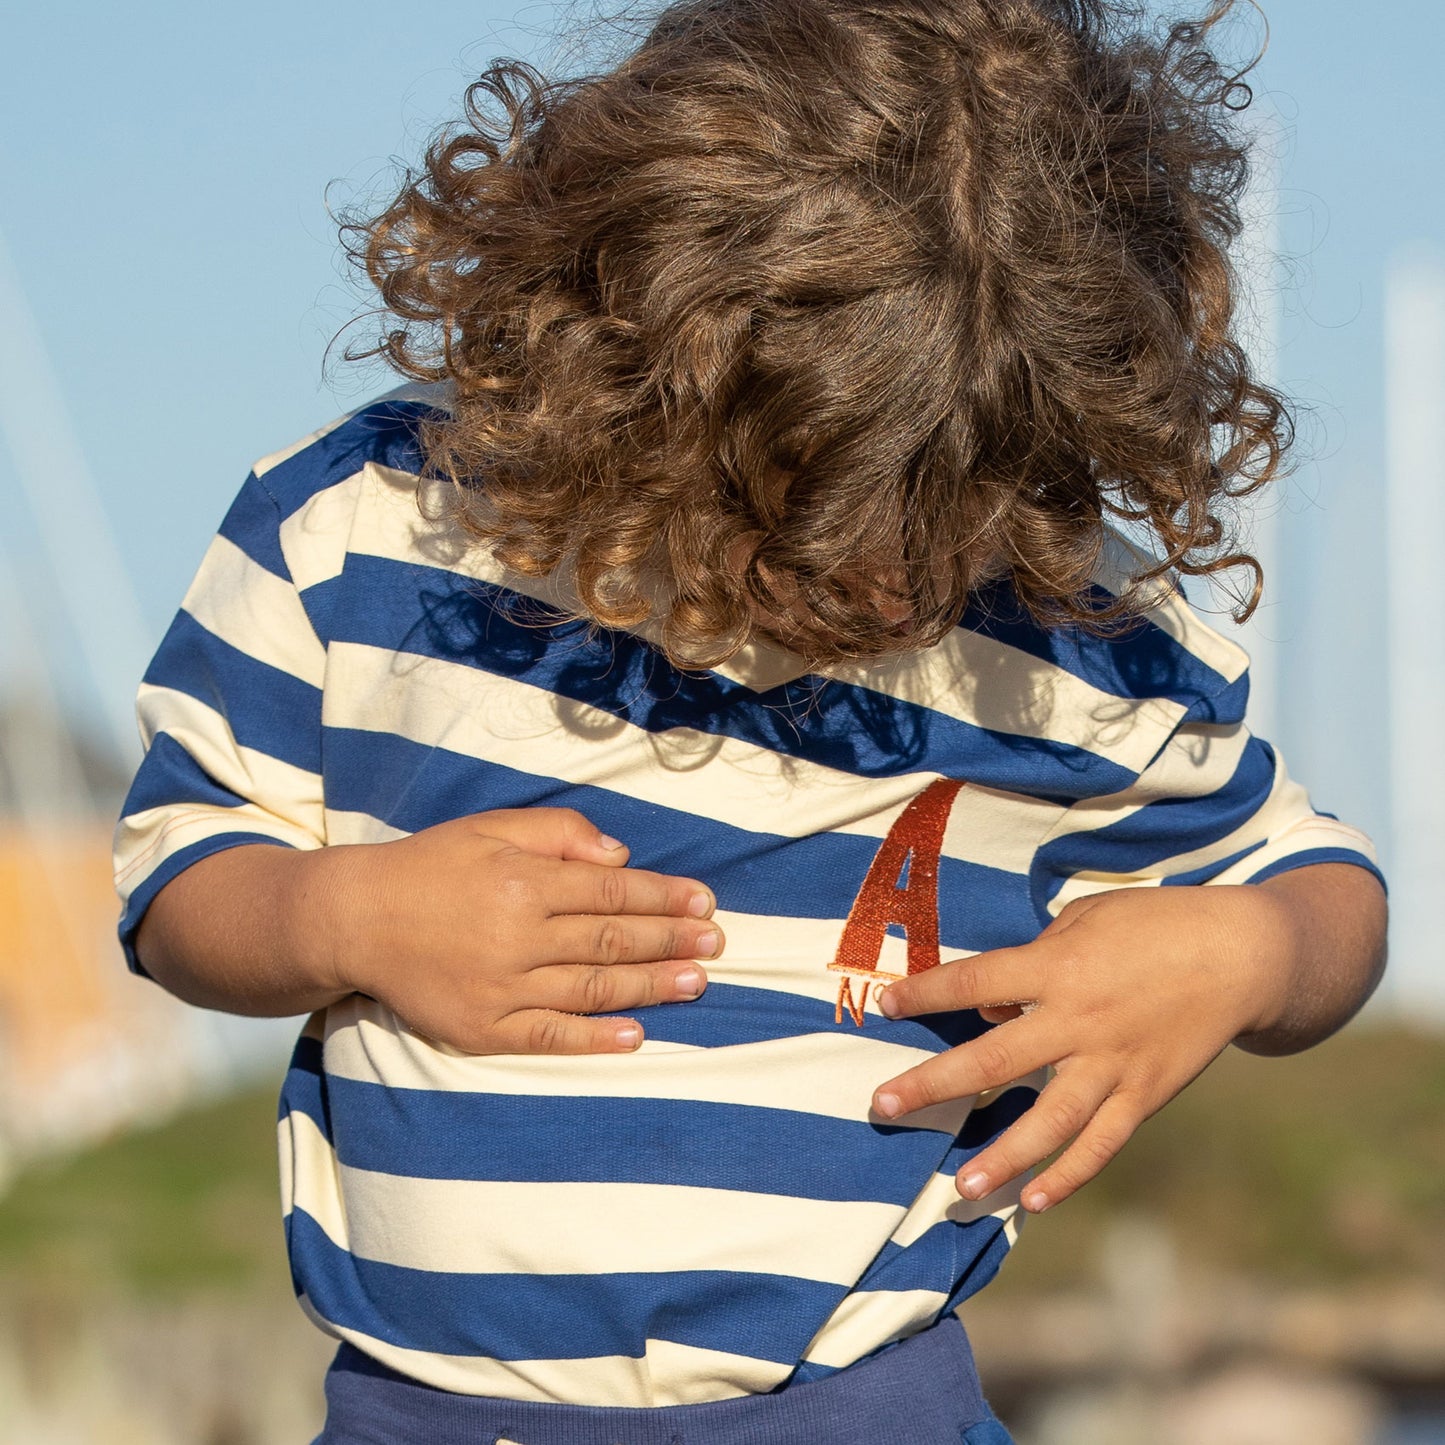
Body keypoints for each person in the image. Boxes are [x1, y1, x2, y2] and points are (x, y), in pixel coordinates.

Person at [113, 1, 1388, 1441]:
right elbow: (175, 878)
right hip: (430, 1412)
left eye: (945, 518)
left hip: (866, 1407)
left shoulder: (1067, 637)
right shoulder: (371, 529)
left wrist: (1247, 952)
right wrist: (336, 922)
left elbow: (1321, 884)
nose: (885, 580)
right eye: (800, 508)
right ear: (631, 350)